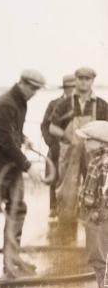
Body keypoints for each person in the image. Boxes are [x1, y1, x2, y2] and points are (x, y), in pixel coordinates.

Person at [0, 69, 45, 278]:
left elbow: (12, 131)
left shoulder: (20, 101)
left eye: (37, 89)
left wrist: (23, 138)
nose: (34, 93)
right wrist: (28, 166)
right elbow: (6, 142)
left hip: (12, 168)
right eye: (32, 88)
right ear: (23, 83)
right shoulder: (6, 104)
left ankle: (12, 261)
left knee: (17, 211)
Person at [49, 67, 108, 237]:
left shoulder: (102, 104)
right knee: (67, 192)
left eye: (87, 78)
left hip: (94, 155)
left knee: (95, 193)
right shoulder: (64, 103)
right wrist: (68, 135)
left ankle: (94, 236)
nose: (83, 81)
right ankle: (67, 235)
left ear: (92, 81)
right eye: (80, 78)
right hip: (70, 153)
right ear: (75, 80)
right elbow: (52, 127)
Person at [76, 121, 108, 288]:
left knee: (99, 260)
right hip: (99, 218)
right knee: (101, 260)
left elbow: (104, 193)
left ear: (101, 143)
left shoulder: (102, 163)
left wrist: (96, 215)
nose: (85, 143)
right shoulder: (98, 160)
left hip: (99, 220)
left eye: (88, 140)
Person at [40, 74, 76, 219]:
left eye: (73, 87)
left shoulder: (80, 105)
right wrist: (51, 142)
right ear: (64, 88)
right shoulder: (53, 104)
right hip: (56, 148)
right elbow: (44, 126)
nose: (71, 90)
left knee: (74, 178)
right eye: (68, 87)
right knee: (54, 177)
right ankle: (53, 207)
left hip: (75, 148)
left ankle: (74, 208)